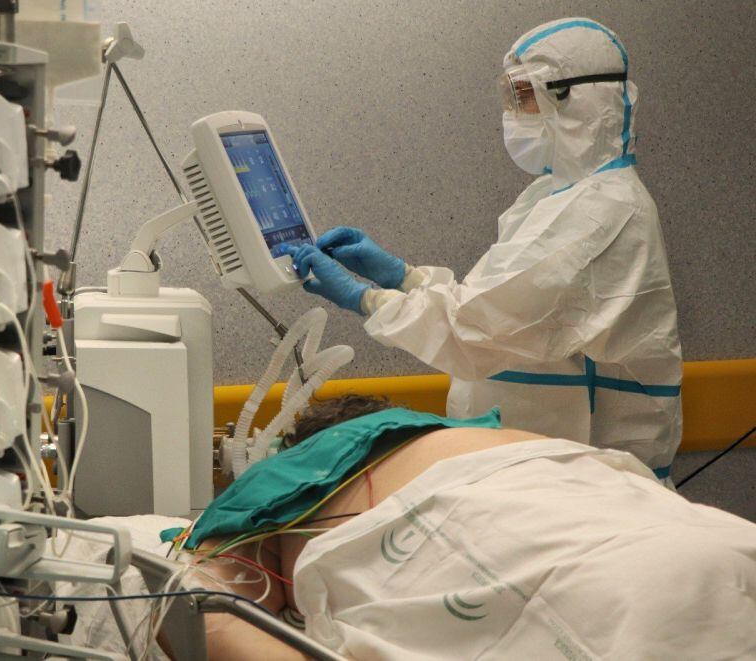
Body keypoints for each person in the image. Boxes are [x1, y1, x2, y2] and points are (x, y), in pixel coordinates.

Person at [286, 18, 683, 480]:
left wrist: (365, 297)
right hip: (540, 472)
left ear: (571, 96)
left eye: (523, 95)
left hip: (585, 480)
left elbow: (473, 333)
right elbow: (491, 309)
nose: (514, 113)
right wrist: (403, 276)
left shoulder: (602, 211)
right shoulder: (556, 197)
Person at [171, 396, 756, 660]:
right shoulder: (499, 437)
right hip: (715, 540)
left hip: (601, 591)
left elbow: (198, 609)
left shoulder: (301, 465)